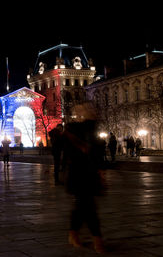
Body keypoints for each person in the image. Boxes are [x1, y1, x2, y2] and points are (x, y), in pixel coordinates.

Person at [63, 103, 105, 254]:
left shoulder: (93, 128)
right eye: (89, 110)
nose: (92, 111)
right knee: (88, 206)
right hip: (79, 173)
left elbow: (98, 151)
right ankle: (97, 238)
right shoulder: (72, 130)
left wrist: (100, 169)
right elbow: (69, 153)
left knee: (83, 207)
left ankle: (74, 233)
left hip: (90, 173)